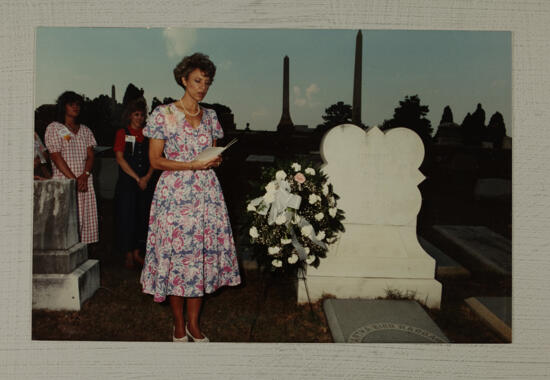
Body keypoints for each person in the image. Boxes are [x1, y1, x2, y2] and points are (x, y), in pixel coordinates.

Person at [140, 53, 241, 342]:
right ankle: (177, 323)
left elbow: (213, 153)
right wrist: (190, 165)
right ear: (183, 80)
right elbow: (156, 160)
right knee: (177, 260)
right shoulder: (163, 114)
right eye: (197, 81)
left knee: (198, 261)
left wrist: (213, 161)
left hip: (206, 195)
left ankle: (194, 325)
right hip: (174, 195)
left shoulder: (210, 116)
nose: (202, 87)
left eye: (207, 82)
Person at [44, 91, 99, 244]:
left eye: (78, 104)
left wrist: (85, 175)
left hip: (84, 182)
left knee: (84, 223)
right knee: (64, 224)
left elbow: (90, 156)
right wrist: (73, 180)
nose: (75, 107)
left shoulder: (86, 130)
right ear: (63, 107)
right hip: (65, 182)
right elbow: (56, 156)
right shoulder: (54, 128)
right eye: (71, 104)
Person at [113, 98, 154, 268]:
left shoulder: (148, 135)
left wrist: (146, 178)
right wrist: (137, 178)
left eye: (142, 115)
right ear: (130, 116)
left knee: (142, 216)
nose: (139, 118)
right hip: (127, 184)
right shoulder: (122, 133)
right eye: (136, 114)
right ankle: (127, 253)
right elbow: (120, 159)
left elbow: (154, 159)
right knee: (126, 217)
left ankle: (138, 252)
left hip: (145, 183)